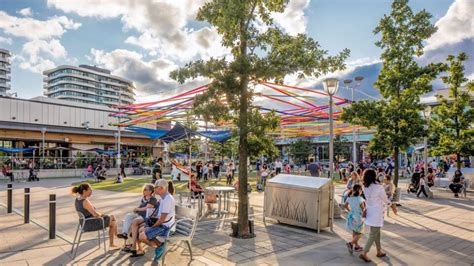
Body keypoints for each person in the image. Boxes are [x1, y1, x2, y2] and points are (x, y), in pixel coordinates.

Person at [359, 169, 397, 263]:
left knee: (376, 232)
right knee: (373, 234)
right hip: (377, 212)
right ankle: (364, 252)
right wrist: (392, 206)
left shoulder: (365, 187)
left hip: (370, 211)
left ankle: (379, 251)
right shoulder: (379, 187)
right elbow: (385, 199)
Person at [133, 179, 175, 261]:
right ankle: (160, 246)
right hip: (163, 224)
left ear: (162, 188)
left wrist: (151, 227)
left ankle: (160, 247)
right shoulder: (163, 198)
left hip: (166, 227)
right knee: (140, 229)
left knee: (142, 236)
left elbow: (162, 220)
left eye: (156, 187)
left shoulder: (167, 200)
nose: (154, 189)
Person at [72, 183, 118, 248]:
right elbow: (95, 214)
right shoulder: (85, 201)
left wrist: (102, 215)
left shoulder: (78, 199)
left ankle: (114, 239)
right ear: (84, 191)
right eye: (90, 190)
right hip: (90, 223)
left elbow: (91, 213)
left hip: (84, 222)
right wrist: (102, 215)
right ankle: (116, 236)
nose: (91, 192)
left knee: (113, 222)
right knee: (113, 220)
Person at [345, 184, 366, 254]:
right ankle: (351, 243)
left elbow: (345, 205)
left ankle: (356, 246)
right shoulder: (360, 199)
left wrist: (350, 211)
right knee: (360, 232)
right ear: (360, 191)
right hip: (358, 217)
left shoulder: (349, 198)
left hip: (351, 217)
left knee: (354, 231)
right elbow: (363, 209)